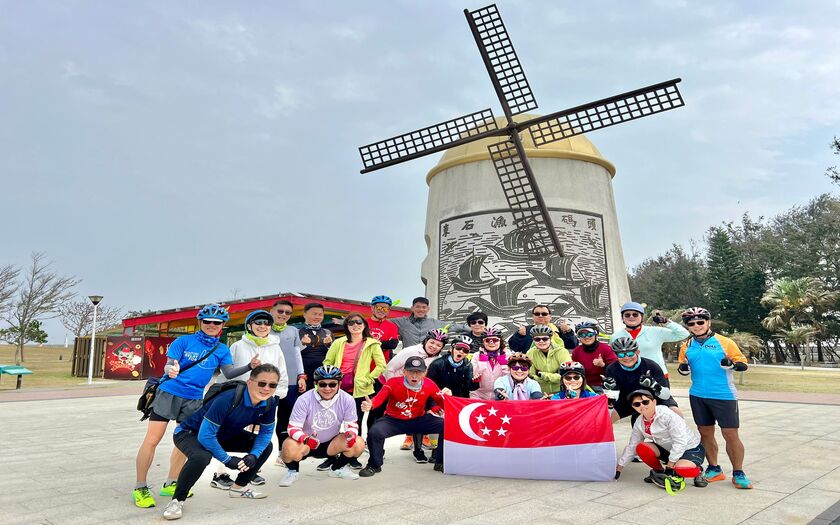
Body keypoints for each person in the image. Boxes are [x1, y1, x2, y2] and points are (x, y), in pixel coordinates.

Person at [134, 304, 253, 509]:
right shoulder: (183, 341)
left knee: (183, 441)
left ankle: (171, 482)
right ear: (200, 322)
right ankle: (140, 487)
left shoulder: (221, 349)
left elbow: (229, 372)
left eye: (217, 322)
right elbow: (169, 364)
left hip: (194, 399)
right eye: (207, 321)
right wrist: (170, 370)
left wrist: (250, 366)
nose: (211, 325)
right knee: (152, 440)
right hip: (169, 393)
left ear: (222, 325)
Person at [161, 364, 281, 520]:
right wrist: (227, 460)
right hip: (190, 433)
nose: (266, 388)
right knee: (201, 457)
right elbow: (205, 436)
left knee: (265, 447)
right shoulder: (228, 398)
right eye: (262, 383)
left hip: (223, 435)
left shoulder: (269, 403)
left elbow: (265, 433)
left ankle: (238, 488)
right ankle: (177, 501)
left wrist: (254, 455)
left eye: (272, 385)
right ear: (250, 382)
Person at [211, 310, 288, 489]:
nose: (262, 326)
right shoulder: (238, 346)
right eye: (258, 322)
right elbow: (227, 372)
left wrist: (277, 395)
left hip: (263, 399)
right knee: (225, 433)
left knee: (255, 434)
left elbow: (282, 372)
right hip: (237, 399)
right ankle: (220, 473)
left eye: (266, 323)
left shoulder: (275, 347)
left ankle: (250, 469)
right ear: (249, 325)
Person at [677, 307, 752, 489]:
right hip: (697, 395)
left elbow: (743, 364)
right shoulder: (687, 345)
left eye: (700, 322)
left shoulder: (725, 342)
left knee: (730, 434)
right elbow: (683, 366)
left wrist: (731, 364)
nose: (697, 326)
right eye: (692, 323)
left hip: (723, 395)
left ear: (708, 322)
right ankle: (714, 468)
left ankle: (738, 472)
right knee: (705, 432)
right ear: (688, 326)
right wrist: (683, 369)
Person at [278, 365, 365, 487]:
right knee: (288, 447)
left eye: (332, 384)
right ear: (316, 383)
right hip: (306, 443)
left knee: (358, 443)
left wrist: (351, 434)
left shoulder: (347, 399)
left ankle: (337, 469)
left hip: (331, 443)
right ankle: (292, 472)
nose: (327, 388)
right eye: (322, 384)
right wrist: (306, 439)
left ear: (339, 384)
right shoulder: (304, 399)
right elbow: (292, 428)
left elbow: (352, 425)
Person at [359, 356, 446, 475]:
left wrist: (447, 396)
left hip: (418, 419)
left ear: (425, 372)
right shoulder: (393, 382)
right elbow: (379, 398)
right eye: (411, 371)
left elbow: (443, 403)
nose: (414, 376)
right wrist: (371, 405)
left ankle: (440, 462)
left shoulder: (429, 384)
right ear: (404, 371)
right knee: (375, 432)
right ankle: (374, 465)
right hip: (393, 420)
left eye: (418, 372)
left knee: (446, 426)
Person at [322, 312, 385, 470]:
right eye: (351, 323)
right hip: (337, 388)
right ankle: (331, 455)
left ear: (364, 325)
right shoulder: (339, 342)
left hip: (360, 389)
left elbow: (381, 365)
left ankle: (352, 455)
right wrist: (330, 378)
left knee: (355, 422)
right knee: (333, 422)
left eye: (358, 322)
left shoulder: (372, 343)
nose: (355, 325)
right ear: (346, 326)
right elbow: (327, 361)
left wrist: (369, 378)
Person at [615, 389, 707, 491]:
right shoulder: (639, 422)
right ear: (634, 407)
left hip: (690, 448)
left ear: (654, 402)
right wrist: (619, 467)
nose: (642, 406)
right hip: (668, 450)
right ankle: (659, 472)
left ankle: (698, 471)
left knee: (681, 469)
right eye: (637, 404)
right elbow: (632, 446)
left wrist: (670, 465)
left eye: (645, 402)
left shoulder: (667, 415)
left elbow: (680, 441)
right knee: (641, 447)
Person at [383, 329, 447, 452]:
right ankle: (407, 437)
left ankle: (423, 437)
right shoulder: (410, 351)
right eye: (432, 342)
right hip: (394, 384)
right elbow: (389, 369)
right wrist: (393, 389)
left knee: (419, 412)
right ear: (426, 341)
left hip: (417, 388)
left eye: (438, 345)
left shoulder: (437, 359)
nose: (434, 346)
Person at [602, 337, 683, 425]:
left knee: (676, 414)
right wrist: (608, 390)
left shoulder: (651, 365)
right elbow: (614, 397)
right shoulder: (611, 369)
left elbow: (666, 395)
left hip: (654, 398)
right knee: (604, 419)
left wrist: (654, 385)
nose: (626, 357)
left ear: (637, 352)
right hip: (627, 400)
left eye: (630, 353)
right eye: (621, 355)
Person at [610, 301, 688, 383]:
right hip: (628, 377)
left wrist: (666, 322)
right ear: (622, 318)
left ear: (642, 317)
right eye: (627, 315)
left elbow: (683, 334)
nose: (631, 317)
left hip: (656, 375)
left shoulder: (655, 331)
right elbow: (613, 357)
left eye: (635, 314)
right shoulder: (616, 336)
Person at [269, 300, 306, 464]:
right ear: (272, 310)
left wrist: (301, 376)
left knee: (286, 419)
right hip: (267, 384)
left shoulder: (293, 330)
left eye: (288, 312)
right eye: (280, 311)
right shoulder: (263, 328)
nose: (283, 315)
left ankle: (282, 454)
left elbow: (297, 355)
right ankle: (255, 457)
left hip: (290, 382)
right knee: (262, 420)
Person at [507, 304, 578, 353]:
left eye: (544, 314)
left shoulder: (559, 330)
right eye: (537, 314)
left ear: (550, 317)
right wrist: (519, 336)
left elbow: (573, 345)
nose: (540, 316)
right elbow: (514, 347)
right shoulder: (525, 330)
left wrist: (568, 332)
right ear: (533, 317)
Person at [571, 321, 617, 391]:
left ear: (595, 334)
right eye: (582, 335)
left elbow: (616, 369)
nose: (586, 337)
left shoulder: (606, 349)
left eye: (590, 334)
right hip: (583, 385)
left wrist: (603, 365)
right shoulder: (576, 351)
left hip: (603, 385)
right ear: (579, 337)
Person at [526, 325, 572, 396]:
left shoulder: (562, 352)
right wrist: (555, 375)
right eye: (537, 339)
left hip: (561, 392)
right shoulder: (530, 353)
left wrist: (542, 375)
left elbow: (567, 375)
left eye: (545, 339)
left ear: (550, 338)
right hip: (541, 393)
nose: (541, 341)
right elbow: (531, 376)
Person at [298, 302, 334, 391]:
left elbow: (334, 355)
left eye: (320, 314)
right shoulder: (297, 332)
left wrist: (329, 345)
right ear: (304, 314)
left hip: (323, 375)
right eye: (314, 314)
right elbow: (292, 354)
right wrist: (302, 343)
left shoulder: (328, 332)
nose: (317, 317)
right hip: (303, 374)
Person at [469, 328, 509, 400]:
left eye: (495, 340)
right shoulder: (476, 355)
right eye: (487, 340)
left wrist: (504, 364)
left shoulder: (508, 355)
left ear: (500, 341)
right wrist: (482, 362)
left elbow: (510, 378)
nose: (491, 343)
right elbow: (474, 375)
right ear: (483, 342)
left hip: (500, 395)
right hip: (478, 395)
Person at [367, 295, 400, 362]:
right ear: (372, 308)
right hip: (363, 362)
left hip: (381, 363)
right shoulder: (363, 323)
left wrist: (374, 342)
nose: (382, 310)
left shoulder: (392, 326)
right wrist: (383, 343)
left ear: (388, 311)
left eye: (385, 308)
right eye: (379, 307)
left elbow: (393, 344)